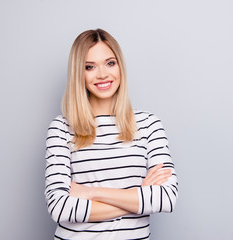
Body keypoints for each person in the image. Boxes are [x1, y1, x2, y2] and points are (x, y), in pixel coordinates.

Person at [44, 29, 178, 240]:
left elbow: (166, 198)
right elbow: (60, 208)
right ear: (79, 73)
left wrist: (91, 193)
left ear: (120, 66)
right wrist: (138, 197)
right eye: (89, 67)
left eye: (110, 63)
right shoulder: (61, 128)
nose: (102, 74)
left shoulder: (148, 124)